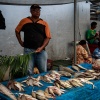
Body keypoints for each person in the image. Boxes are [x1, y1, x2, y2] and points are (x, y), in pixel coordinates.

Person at [15, 4, 51, 75]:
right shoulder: (24, 21)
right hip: (28, 50)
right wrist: (20, 41)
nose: (37, 12)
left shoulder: (44, 23)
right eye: (34, 10)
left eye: (38, 10)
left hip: (41, 51)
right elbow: (17, 31)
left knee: (43, 70)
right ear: (31, 11)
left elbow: (48, 37)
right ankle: (31, 84)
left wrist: (41, 48)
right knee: (28, 70)